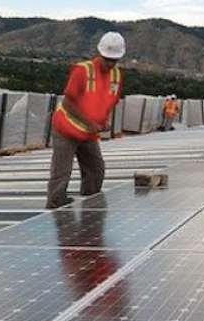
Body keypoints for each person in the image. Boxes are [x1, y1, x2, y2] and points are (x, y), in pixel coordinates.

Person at [46, 32, 125, 209]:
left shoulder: (116, 76)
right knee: (62, 173)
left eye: (114, 61)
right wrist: (89, 123)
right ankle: (55, 206)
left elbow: (109, 101)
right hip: (67, 129)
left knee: (96, 170)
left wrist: (105, 121)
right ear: (100, 54)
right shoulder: (83, 70)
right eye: (107, 59)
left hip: (88, 134)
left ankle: (90, 205)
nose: (110, 64)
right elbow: (67, 103)